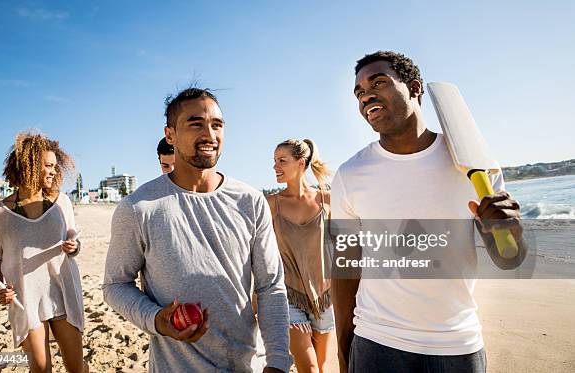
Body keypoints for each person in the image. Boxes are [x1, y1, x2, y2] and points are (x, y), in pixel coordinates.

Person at [331, 51, 524, 373]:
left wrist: (509, 230)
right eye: (360, 92)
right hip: (376, 341)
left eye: (379, 82)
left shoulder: (474, 162)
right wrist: (343, 347)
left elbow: (509, 259)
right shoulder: (351, 175)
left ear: (414, 87)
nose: (367, 96)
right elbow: (345, 267)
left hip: (457, 343)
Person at [103, 87, 291, 373]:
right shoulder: (138, 208)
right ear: (170, 135)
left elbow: (270, 285)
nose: (209, 134)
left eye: (217, 125)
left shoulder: (250, 201)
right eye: (196, 124)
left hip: (247, 364)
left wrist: (277, 361)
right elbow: (116, 285)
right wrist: (156, 319)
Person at [0, 131, 88, 373]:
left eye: (55, 166)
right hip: (25, 298)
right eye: (48, 166)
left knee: (75, 367)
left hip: (63, 292)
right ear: (30, 165)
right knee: (41, 368)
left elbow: (73, 242)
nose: (53, 171)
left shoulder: (62, 202)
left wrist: (74, 248)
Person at [267, 138, 334, 373]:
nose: (275, 166)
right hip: (289, 295)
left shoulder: (327, 200)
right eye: (274, 161)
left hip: (326, 296)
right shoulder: (270, 204)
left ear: (301, 163)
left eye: (282, 161)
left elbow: (348, 246)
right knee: (310, 368)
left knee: (322, 366)